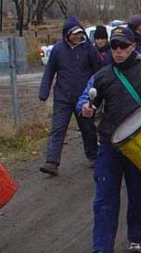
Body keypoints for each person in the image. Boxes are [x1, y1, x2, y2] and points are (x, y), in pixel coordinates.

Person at [78, 27, 141, 253]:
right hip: (110, 144)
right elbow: (86, 99)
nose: (118, 51)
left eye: (123, 46)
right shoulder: (102, 76)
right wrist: (85, 108)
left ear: (133, 47)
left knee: (138, 194)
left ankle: (136, 237)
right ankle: (102, 250)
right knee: (104, 197)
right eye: (114, 47)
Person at [39, 16, 101, 176]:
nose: (78, 36)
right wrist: (44, 92)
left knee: (87, 128)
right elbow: (49, 72)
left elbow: (99, 72)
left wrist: (100, 93)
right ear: (67, 34)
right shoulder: (58, 50)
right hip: (63, 97)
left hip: (84, 98)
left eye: (80, 33)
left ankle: (94, 156)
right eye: (74, 34)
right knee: (58, 128)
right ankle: (52, 162)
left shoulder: (88, 49)